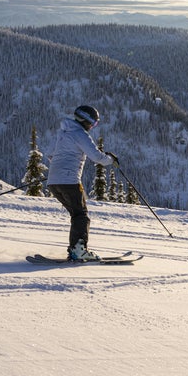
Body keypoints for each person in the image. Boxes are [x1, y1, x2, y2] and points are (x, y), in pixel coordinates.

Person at [46, 104, 118, 261]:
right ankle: (79, 250)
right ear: (86, 121)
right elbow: (97, 157)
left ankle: (75, 249)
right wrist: (111, 159)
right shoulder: (80, 134)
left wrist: (59, 169)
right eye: (94, 123)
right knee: (81, 215)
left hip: (53, 181)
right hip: (69, 181)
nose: (93, 127)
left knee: (76, 214)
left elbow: (50, 154)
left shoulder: (62, 133)